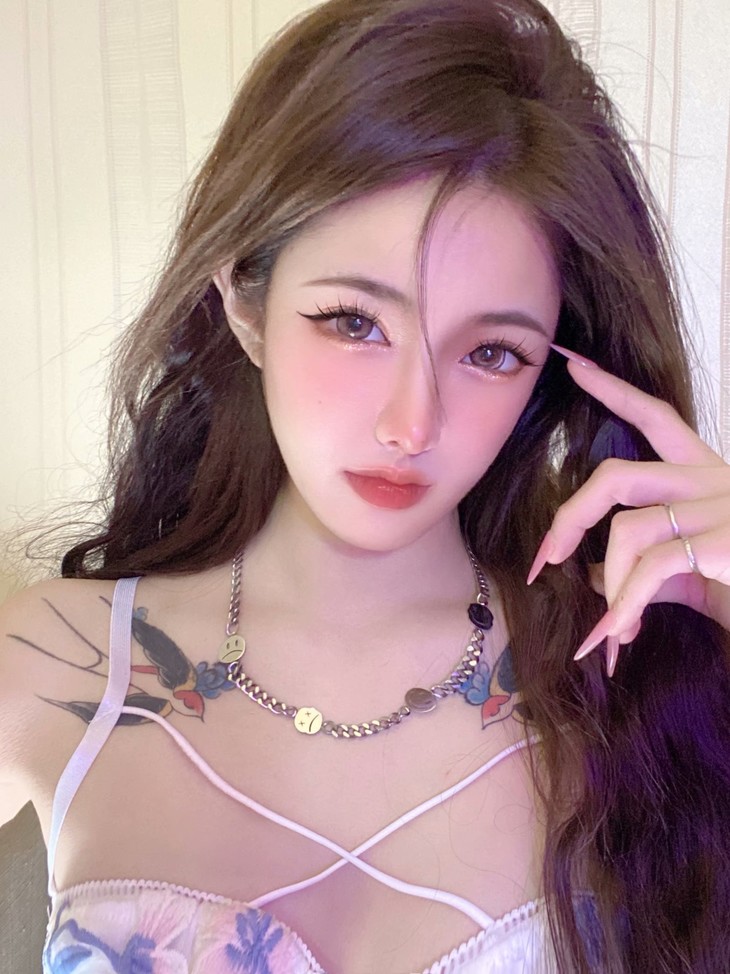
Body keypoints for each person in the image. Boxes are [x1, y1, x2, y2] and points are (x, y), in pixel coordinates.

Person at [1, 0, 729, 970]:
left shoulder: (640, 671)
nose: (410, 424)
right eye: (354, 322)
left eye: (491, 351)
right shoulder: (55, 661)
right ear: (246, 301)